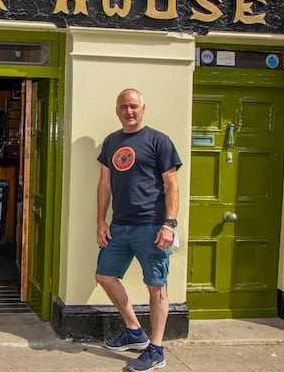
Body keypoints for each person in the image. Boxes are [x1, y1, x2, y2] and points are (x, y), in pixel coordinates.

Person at [95, 88, 181, 372]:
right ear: (117, 110)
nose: (128, 111)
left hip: (152, 226)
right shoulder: (111, 142)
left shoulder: (159, 141)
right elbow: (105, 184)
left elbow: (172, 185)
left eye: (133, 106)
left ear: (143, 107)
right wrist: (100, 220)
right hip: (119, 225)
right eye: (123, 107)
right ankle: (134, 330)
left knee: (155, 286)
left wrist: (169, 224)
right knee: (105, 276)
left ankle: (156, 349)